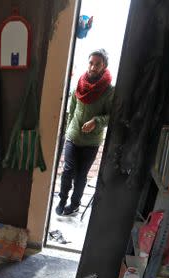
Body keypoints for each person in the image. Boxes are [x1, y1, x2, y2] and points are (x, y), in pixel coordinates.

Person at [57, 49, 115, 216]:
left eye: (98, 64)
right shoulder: (80, 83)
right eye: (91, 63)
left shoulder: (109, 91)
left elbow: (112, 116)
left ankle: (74, 204)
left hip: (91, 142)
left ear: (104, 67)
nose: (93, 67)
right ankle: (62, 199)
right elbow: (73, 108)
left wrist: (96, 121)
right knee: (67, 171)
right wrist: (69, 129)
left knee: (81, 176)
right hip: (73, 137)